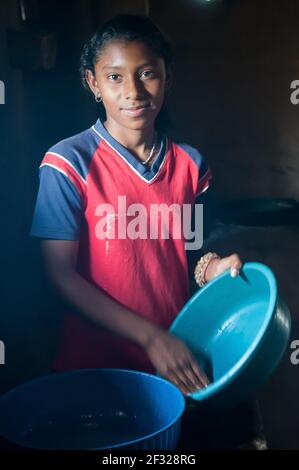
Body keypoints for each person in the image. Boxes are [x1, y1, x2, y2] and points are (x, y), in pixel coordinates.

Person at [30, 14, 243, 396]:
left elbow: (190, 254)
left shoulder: (192, 165)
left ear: (168, 77)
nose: (133, 91)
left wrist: (214, 267)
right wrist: (150, 338)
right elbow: (60, 276)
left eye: (147, 73)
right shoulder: (67, 164)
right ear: (93, 83)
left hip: (176, 364)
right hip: (95, 368)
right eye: (115, 77)